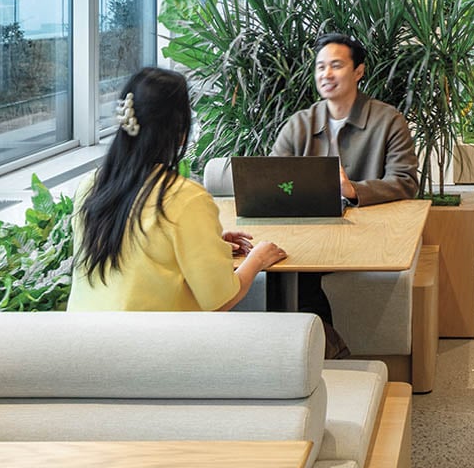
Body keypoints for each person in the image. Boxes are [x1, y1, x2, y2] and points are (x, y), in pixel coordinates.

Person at [69, 66, 286, 312]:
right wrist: (258, 258)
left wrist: (210, 244)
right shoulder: (185, 198)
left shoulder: (91, 185)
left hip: (84, 341)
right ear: (180, 131)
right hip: (153, 345)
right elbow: (221, 300)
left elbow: (141, 257)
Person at [269, 33, 418, 355]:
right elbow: (272, 181)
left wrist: (355, 190)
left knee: (300, 272)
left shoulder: (388, 121)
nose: (326, 74)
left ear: (358, 71)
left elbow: (406, 181)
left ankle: (321, 352)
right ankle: (304, 353)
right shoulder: (299, 125)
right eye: (320, 67)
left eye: (336, 65)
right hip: (307, 233)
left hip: (365, 234)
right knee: (279, 265)